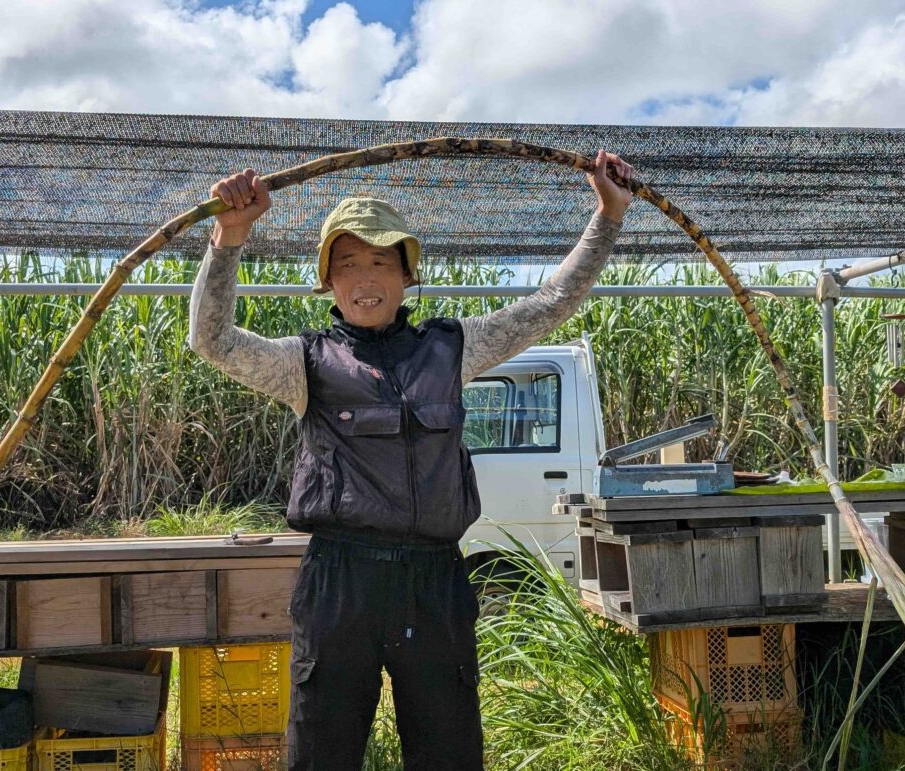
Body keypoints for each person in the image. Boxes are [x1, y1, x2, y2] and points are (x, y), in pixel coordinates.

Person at [189, 149, 634, 770]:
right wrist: (229, 237)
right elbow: (212, 341)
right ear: (329, 282)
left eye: (380, 262)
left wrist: (607, 216)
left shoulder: (453, 350)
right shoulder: (306, 364)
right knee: (323, 751)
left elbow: (553, 301)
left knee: (448, 751)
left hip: (435, 583)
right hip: (340, 584)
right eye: (347, 265)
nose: (364, 279)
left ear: (406, 276)